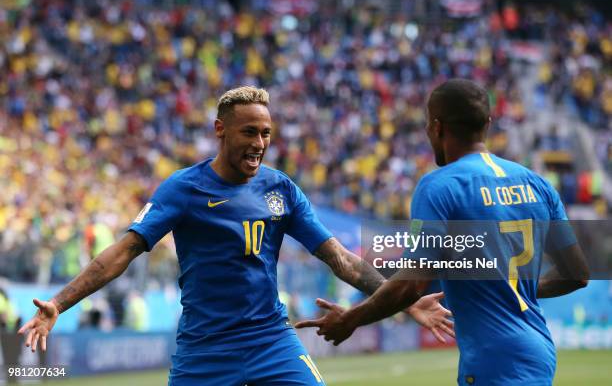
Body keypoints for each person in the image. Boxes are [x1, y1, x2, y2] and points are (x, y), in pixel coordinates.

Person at [18, 86, 453, 385]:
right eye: (249, 132)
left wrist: (406, 299)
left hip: (270, 339)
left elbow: (340, 258)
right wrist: (59, 302)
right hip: (205, 348)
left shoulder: (281, 189)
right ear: (220, 129)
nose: (259, 143)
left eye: (266, 133)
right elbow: (122, 252)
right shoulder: (183, 190)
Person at [296, 79, 590, 385]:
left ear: (436, 127)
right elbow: (577, 274)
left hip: (494, 358)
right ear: (487, 124)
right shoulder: (537, 184)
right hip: (539, 349)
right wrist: (517, 287)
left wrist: (351, 319)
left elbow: (412, 284)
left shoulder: (439, 187)